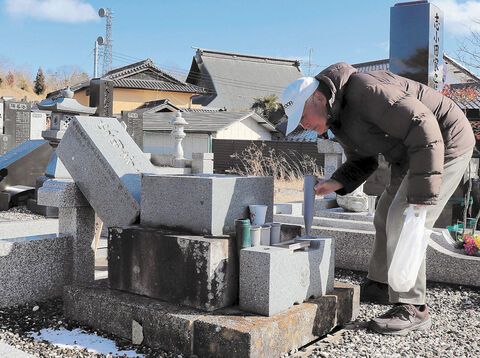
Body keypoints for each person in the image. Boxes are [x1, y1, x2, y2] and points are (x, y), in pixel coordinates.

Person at [281, 63, 475, 335]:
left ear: (318, 98)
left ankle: (413, 306)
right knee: (384, 212)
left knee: (405, 218)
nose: (304, 126)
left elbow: (423, 125)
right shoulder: (338, 120)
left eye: (302, 117)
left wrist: (421, 196)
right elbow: (364, 159)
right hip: (413, 151)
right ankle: (382, 284)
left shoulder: (366, 91)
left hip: (444, 140)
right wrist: (336, 182)